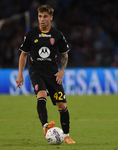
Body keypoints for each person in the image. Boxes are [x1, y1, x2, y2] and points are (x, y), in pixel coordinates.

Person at [16, 5, 75, 144]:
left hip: (53, 73)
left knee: (62, 106)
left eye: (45, 17)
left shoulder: (57, 35)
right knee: (41, 95)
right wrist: (20, 74)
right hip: (36, 71)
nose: (42, 19)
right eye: (40, 16)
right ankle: (45, 126)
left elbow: (64, 54)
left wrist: (61, 72)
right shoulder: (31, 35)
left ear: (51, 18)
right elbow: (23, 55)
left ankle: (66, 136)